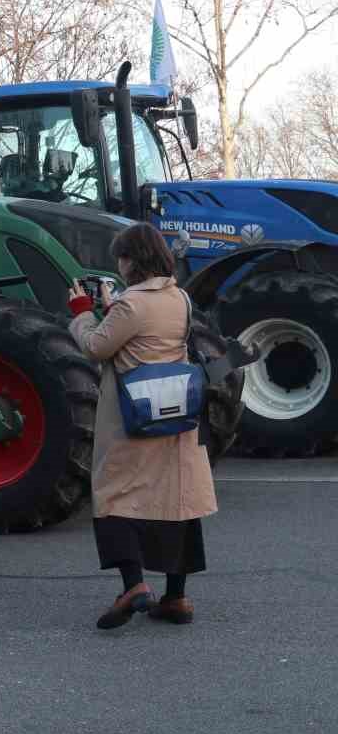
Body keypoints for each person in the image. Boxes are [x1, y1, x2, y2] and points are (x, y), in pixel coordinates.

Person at [67, 222, 216, 630]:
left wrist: (82, 313)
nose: (119, 264)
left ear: (133, 261)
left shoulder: (131, 305)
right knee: (176, 499)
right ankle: (176, 596)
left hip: (133, 414)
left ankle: (133, 585)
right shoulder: (180, 298)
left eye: (121, 257)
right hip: (176, 410)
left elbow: (96, 346)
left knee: (115, 494)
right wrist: (112, 307)